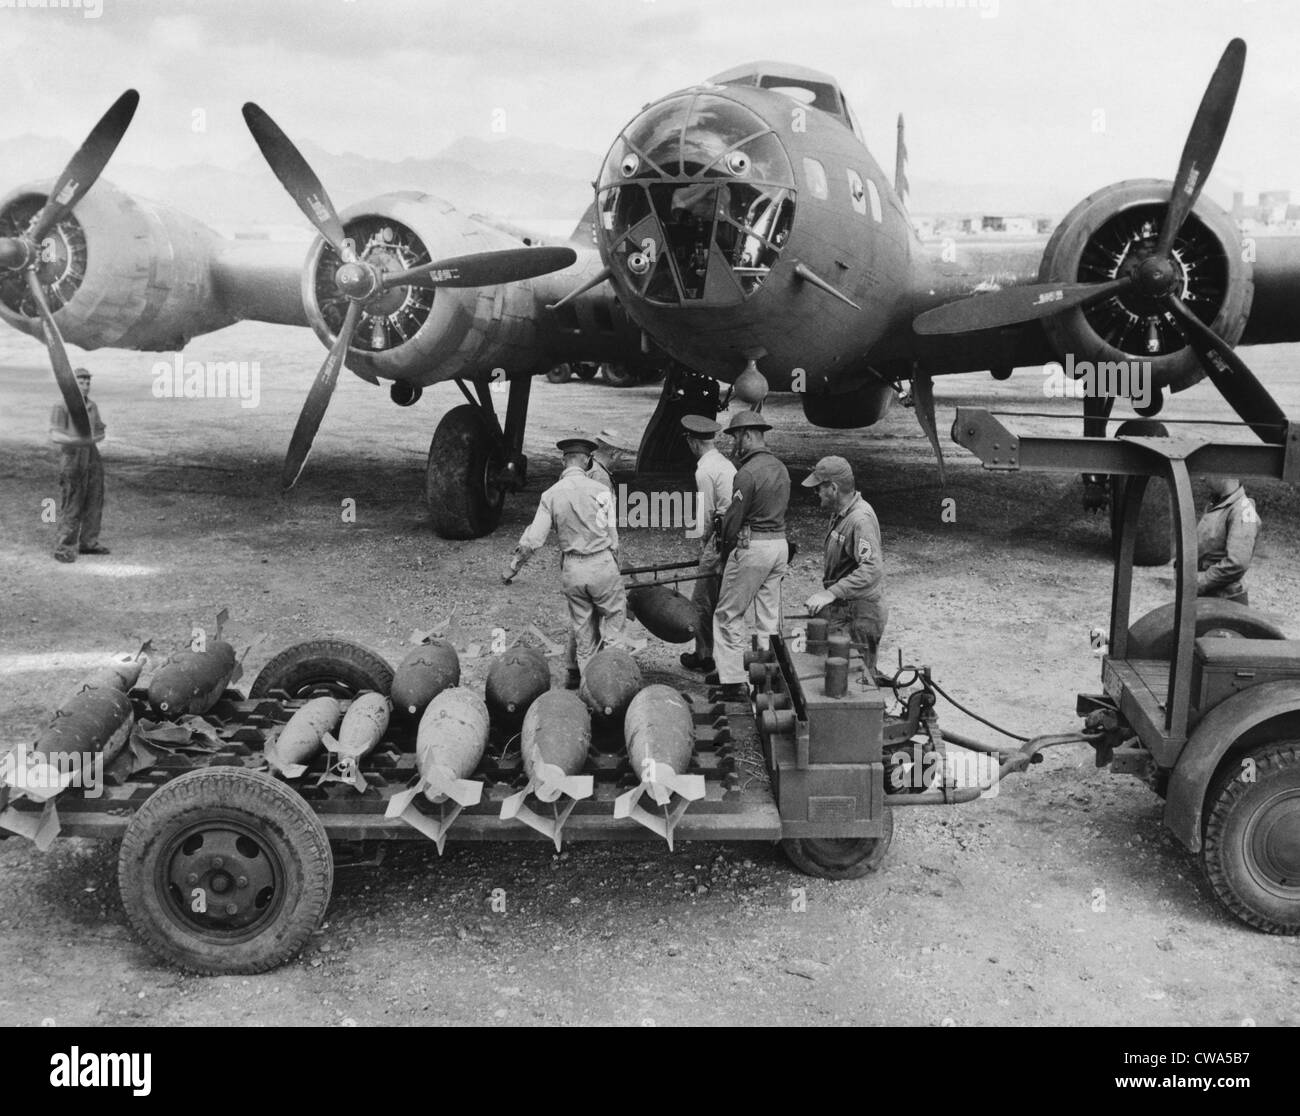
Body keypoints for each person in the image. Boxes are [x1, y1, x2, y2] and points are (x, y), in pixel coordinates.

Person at [504, 436, 630, 679]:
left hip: (573, 568)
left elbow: (533, 540)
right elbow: (613, 537)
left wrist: (513, 567)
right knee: (615, 628)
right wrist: (614, 565)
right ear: (587, 461)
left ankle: (589, 689)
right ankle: (615, 685)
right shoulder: (602, 490)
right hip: (602, 562)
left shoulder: (550, 495)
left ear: (564, 461)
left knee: (583, 635)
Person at [711, 411, 790, 700]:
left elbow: (733, 521)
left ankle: (732, 683)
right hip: (779, 545)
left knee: (728, 614)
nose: (735, 444)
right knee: (768, 618)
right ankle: (767, 678)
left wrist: (724, 557)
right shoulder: (781, 468)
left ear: (746, 435)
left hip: (753, 547)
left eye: (735, 437)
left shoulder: (747, 473)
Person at [801, 456, 888, 675]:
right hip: (848, 609)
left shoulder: (860, 520)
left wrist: (831, 593)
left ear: (833, 488)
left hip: (859, 614)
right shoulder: (842, 515)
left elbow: (872, 569)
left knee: (858, 682)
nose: (816, 493)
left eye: (819, 488)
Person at [679, 414, 735, 673]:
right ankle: (719, 653)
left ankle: (703, 655)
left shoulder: (705, 470)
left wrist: (704, 545)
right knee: (723, 600)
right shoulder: (725, 464)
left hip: (719, 539)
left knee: (701, 600)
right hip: (734, 538)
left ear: (692, 442)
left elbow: (705, 515)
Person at [48, 367, 110, 563]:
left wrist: (94, 438)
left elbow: (100, 431)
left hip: (92, 454)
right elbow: (54, 434)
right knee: (73, 502)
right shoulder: (62, 406)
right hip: (72, 455)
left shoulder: (92, 407)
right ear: (72, 385)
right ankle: (64, 546)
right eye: (81, 382)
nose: (85, 386)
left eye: (87, 382)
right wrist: (76, 440)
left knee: (94, 498)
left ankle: (89, 542)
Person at [1197, 476, 1260, 606]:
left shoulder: (1242, 510)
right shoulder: (1217, 505)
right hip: (1208, 596)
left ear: (1223, 474)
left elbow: (1237, 563)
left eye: (1206, 472)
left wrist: (1200, 582)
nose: (1202, 478)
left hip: (1225, 600)